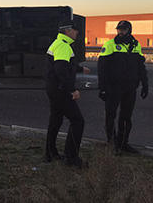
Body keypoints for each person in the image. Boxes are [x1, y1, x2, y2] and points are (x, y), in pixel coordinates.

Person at [98, 20, 148, 154]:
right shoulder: (110, 44)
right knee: (110, 115)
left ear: (129, 30)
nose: (121, 32)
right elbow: (101, 68)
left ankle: (123, 143)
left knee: (126, 117)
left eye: (124, 29)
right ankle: (112, 144)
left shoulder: (136, 45)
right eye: (119, 29)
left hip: (130, 87)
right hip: (113, 87)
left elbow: (141, 66)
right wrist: (102, 88)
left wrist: (145, 84)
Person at [45, 20, 90, 168]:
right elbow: (61, 70)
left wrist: (78, 69)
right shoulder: (64, 46)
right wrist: (72, 90)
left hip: (54, 89)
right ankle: (71, 158)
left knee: (55, 121)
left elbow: (63, 65)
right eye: (75, 30)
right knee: (78, 121)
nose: (77, 32)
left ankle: (50, 154)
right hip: (61, 91)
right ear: (68, 31)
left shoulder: (58, 43)